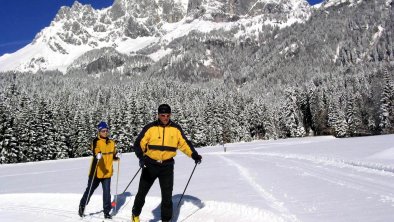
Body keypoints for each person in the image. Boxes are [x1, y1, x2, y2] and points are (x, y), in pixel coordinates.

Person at [131, 104, 202, 222]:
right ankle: (135, 214)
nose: (165, 118)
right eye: (163, 115)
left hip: (167, 167)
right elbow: (139, 143)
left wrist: (194, 155)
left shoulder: (176, 129)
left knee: (167, 197)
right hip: (150, 165)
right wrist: (141, 157)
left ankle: (166, 220)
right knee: (142, 193)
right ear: (158, 115)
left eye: (168, 115)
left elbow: (184, 144)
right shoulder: (150, 128)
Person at [78, 121, 120, 219]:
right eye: (103, 131)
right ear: (99, 132)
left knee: (107, 193)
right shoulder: (96, 141)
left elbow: (113, 155)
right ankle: (82, 205)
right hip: (96, 172)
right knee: (90, 190)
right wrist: (97, 155)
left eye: (106, 131)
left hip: (107, 172)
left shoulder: (111, 143)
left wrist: (117, 156)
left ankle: (106, 212)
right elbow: (95, 150)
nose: (105, 132)